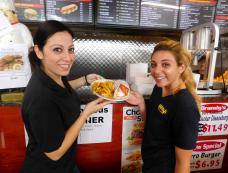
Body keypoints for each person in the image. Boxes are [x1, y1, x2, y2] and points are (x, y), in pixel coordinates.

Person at [20, 20, 112, 173]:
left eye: (71, 49)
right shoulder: (41, 99)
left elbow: (61, 89)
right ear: (39, 51)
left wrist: (85, 80)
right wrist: (86, 113)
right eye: (57, 50)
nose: (68, 58)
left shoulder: (52, 75)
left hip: (67, 164)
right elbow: (54, 154)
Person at [126, 40, 201, 173]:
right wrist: (142, 103)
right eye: (154, 65)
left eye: (165, 64)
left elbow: (183, 165)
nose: (156, 71)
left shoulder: (184, 106)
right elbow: (154, 124)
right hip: (149, 164)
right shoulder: (159, 87)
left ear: (181, 67)